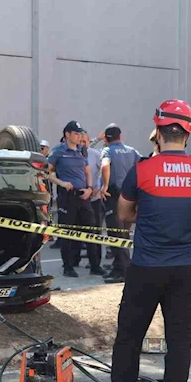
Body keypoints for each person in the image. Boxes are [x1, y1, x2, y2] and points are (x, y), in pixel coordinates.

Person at [108, 100, 191, 382]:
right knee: (179, 343)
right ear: (188, 132)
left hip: (146, 267)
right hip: (185, 269)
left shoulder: (142, 171)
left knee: (128, 337)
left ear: (158, 129)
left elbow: (123, 216)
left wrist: (147, 212)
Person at [47, 121, 104, 278]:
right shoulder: (58, 151)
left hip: (84, 196)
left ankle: (95, 265)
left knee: (90, 230)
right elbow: (47, 173)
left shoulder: (81, 150)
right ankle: (68, 267)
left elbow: (87, 172)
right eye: (76, 133)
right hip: (67, 197)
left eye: (80, 134)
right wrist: (62, 183)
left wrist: (90, 188)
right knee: (67, 233)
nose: (79, 136)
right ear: (67, 134)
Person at [99, 124, 138, 283]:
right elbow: (143, 164)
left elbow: (105, 165)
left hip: (114, 196)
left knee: (115, 235)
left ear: (107, 139)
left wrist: (105, 185)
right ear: (120, 137)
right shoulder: (131, 150)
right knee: (124, 234)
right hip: (129, 197)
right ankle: (121, 266)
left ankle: (122, 271)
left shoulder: (108, 150)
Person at [80, 132, 105, 271]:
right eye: (81, 141)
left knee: (95, 232)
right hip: (80, 198)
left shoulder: (95, 154)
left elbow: (104, 171)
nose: (83, 143)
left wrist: (98, 187)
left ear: (89, 141)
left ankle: (95, 262)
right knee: (79, 231)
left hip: (94, 198)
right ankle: (73, 261)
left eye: (85, 141)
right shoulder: (75, 154)